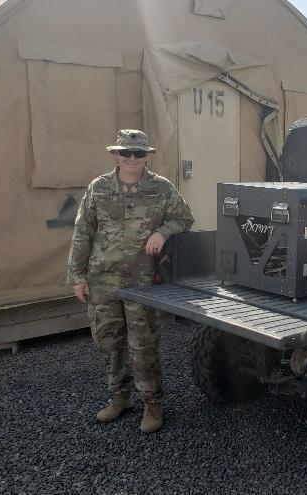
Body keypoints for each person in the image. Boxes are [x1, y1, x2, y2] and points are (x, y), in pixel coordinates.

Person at [67, 129, 194, 433]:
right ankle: (120, 398)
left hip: (142, 282)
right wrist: (77, 276)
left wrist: (162, 232)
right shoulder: (98, 188)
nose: (132, 159)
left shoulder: (161, 189)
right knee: (110, 343)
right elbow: (82, 232)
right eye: (126, 153)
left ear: (146, 156)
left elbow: (185, 218)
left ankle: (152, 403)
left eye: (138, 154)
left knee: (143, 345)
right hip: (103, 279)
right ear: (116, 155)